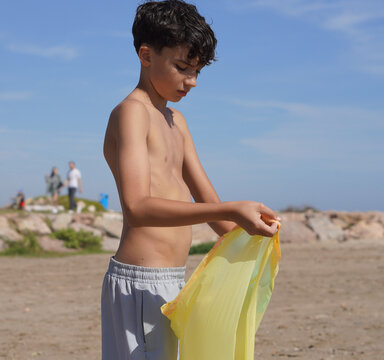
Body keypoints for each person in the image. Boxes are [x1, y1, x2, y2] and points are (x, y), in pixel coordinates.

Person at [101, 1, 280, 359]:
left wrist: (254, 227)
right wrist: (232, 208)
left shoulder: (176, 123)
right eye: (182, 67)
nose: (192, 81)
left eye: (196, 71)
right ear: (146, 55)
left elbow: (217, 216)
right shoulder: (131, 114)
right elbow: (137, 207)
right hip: (139, 282)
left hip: (175, 281)